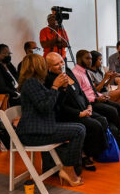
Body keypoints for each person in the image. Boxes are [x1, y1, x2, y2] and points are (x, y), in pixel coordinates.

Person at [16, 54, 85, 186]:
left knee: (79, 128)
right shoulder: (31, 83)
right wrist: (54, 87)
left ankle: (68, 168)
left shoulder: (35, 82)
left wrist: (62, 88)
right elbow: (45, 107)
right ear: (38, 66)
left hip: (41, 128)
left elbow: (53, 104)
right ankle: (68, 169)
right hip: (33, 133)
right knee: (78, 130)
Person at [45, 52, 109, 171]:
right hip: (68, 114)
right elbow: (59, 105)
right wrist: (79, 114)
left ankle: (95, 152)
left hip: (82, 107)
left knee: (102, 119)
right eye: (56, 65)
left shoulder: (68, 72)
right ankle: (85, 155)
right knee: (93, 125)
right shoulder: (50, 80)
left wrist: (89, 105)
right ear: (49, 67)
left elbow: (80, 91)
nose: (60, 66)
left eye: (61, 62)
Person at [73, 50, 120, 148]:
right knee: (113, 110)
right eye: (87, 58)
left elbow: (92, 89)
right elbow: (81, 93)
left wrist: (99, 95)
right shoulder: (76, 74)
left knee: (118, 105)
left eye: (90, 58)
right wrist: (97, 98)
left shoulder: (85, 72)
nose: (90, 61)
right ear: (79, 59)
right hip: (89, 103)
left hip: (96, 97)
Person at [88, 51, 120, 136]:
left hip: (104, 92)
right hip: (98, 96)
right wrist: (105, 78)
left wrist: (110, 78)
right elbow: (95, 90)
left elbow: (104, 86)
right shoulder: (89, 73)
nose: (101, 62)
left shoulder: (99, 71)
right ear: (94, 60)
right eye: (99, 60)